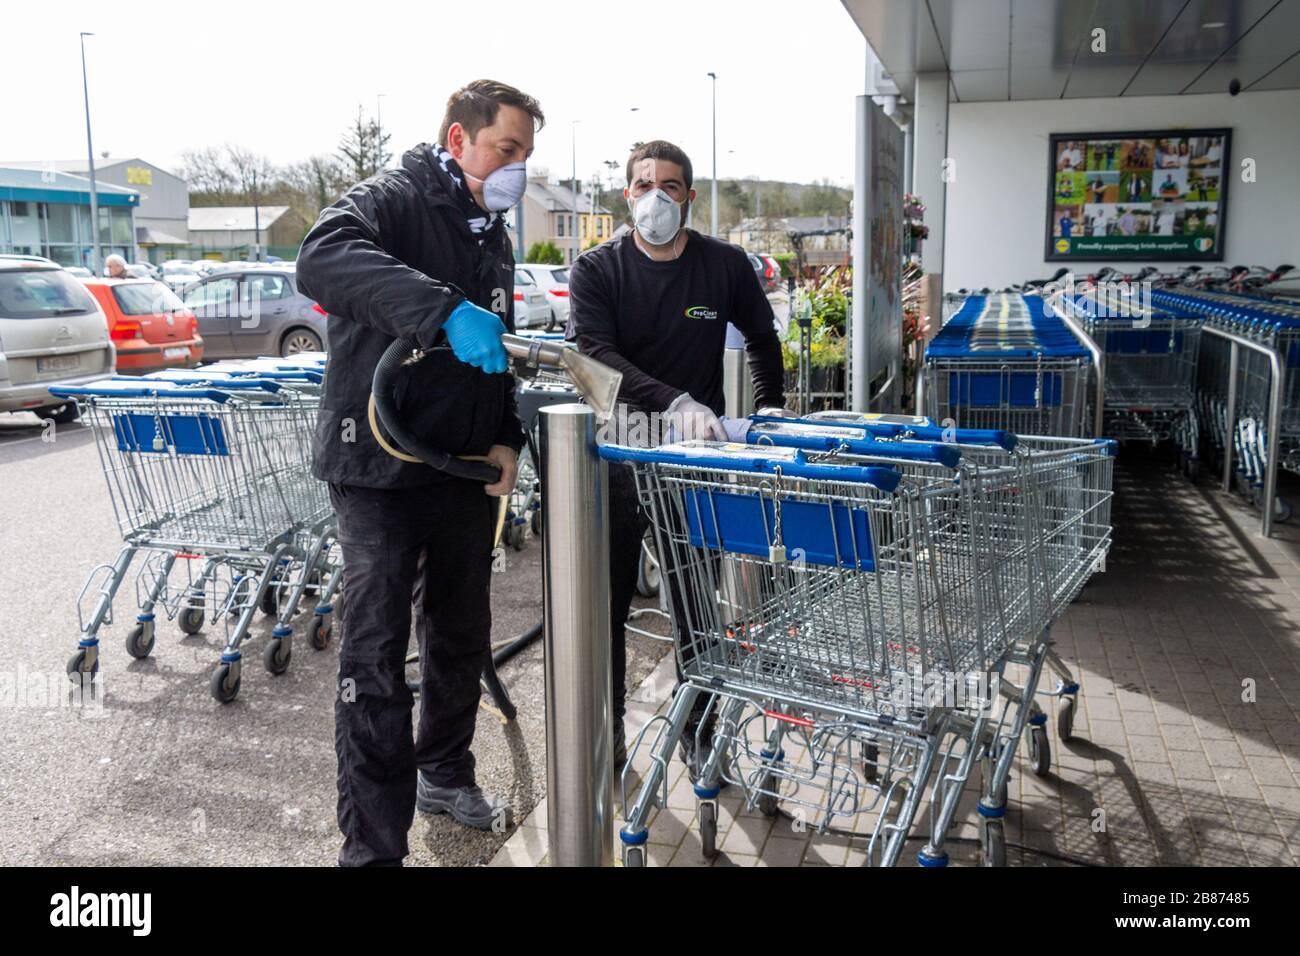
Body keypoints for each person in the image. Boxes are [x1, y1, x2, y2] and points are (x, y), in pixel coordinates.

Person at [295, 79, 544, 867]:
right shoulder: (393, 198)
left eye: (526, 158)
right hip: (379, 466)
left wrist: (507, 438)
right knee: (375, 660)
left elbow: (495, 351)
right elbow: (322, 257)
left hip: (463, 468)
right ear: (458, 136)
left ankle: (444, 770)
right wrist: (440, 308)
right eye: (506, 149)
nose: (516, 170)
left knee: (461, 633)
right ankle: (372, 851)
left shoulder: (491, 233)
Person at [567, 140, 786, 777]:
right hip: (618, 453)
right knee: (603, 603)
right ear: (626, 193)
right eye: (643, 184)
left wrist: (768, 413)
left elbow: (763, 342)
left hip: (698, 459)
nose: (655, 196)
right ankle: (603, 733)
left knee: (696, 602)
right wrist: (675, 399)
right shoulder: (597, 270)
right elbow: (597, 356)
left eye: (669, 184)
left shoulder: (723, 266)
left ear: (689, 195)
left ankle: (699, 731)